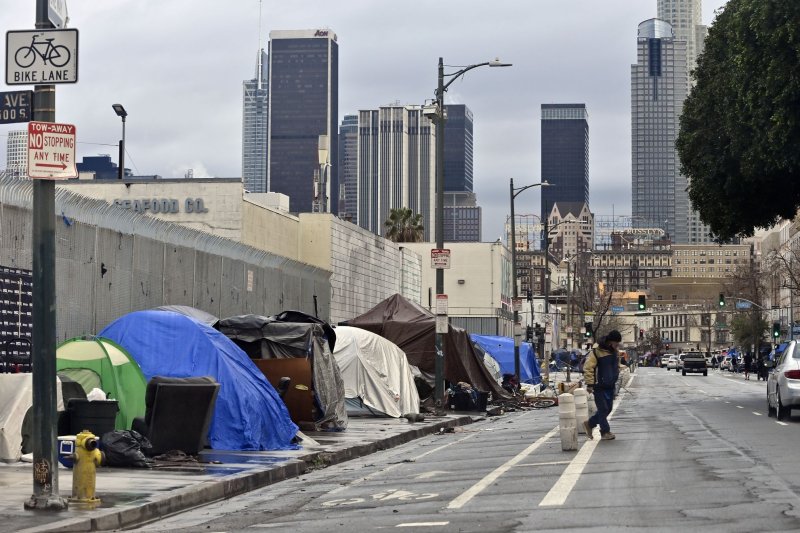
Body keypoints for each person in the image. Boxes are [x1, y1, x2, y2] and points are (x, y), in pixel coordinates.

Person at [583, 330, 622, 441]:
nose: (617, 346)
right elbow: (588, 368)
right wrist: (590, 383)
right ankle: (605, 431)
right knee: (603, 409)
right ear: (610, 342)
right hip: (598, 385)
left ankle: (590, 424)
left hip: (610, 385)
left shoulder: (614, 352)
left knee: (608, 409)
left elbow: (615, 366)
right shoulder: (597, 352)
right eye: (616, 343)